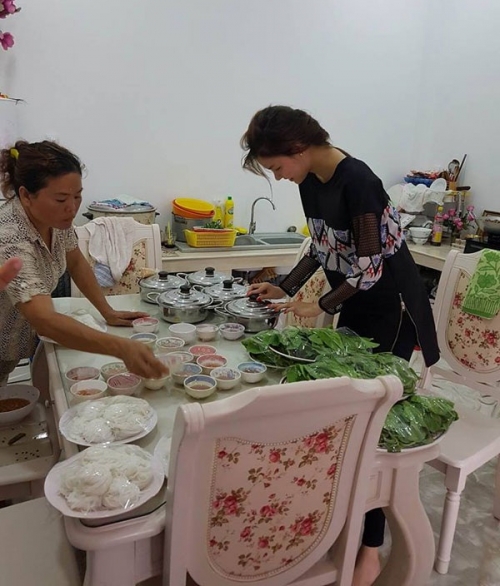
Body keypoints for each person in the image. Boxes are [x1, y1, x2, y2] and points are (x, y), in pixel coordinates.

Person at [241, 106, 439, 586]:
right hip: (358, 304)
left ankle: (370, 549)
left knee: (374, 426)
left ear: (297, 148)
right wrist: (286, 286)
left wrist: (321, 304)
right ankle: (343, 517)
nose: (280, 177)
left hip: (392, 310)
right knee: (348, 415)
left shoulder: (359, 182)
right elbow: (321, 247)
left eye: (277, 167)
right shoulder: (310, 180)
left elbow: (370, 267)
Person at [0, 140, 167, 386]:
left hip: (15, 340)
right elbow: (45, 320)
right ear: (26, 195)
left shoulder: (56, 221)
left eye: (77, 196)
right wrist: (121, 348)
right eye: (61, 199)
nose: (72, 208)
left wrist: (107, 311)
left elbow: (76, 261)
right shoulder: (10, 237)